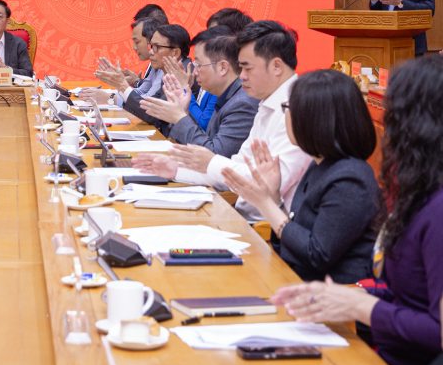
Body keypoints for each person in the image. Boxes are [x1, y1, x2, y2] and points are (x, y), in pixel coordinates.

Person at [272, 56, 443, 365]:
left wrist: (360, 306)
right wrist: (345, 294)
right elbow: (408, 295)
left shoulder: (436, 207)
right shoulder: (419, 192)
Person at [222, 69, 379, 284]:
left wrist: (265, 203)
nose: (285, 114)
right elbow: (294, 239)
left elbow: (317, 255)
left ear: (316, 119)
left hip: (332, 299)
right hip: (296, 279)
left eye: (288, 107)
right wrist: (274, 197)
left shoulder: (350, 179)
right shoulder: (320, 164)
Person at [146, 20, 312, 221]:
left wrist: (211, 161)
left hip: (268, 230)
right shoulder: (266, 103)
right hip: (242, 215)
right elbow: (237, 166)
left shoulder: (298, 107)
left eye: (247, 68)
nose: (241, 76)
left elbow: (271, 185)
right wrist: (176, 170)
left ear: (276, 66)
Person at [137, 30, 258, 158]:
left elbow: (215, 157)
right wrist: (183, 112)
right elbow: (204, 138)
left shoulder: (242, 103)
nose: (194, 72)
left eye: (199, 65)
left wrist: (180, 117)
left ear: (223, 68)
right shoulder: (225, 95)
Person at [93, 23, 191, 131]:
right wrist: (121, 87)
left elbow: (152, 115)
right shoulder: (170, 73)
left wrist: (123, 87)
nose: (151, 52)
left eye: (157, 47)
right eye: (151, 46)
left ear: (175, 52)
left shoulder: (183, 75)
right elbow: (149, 105)